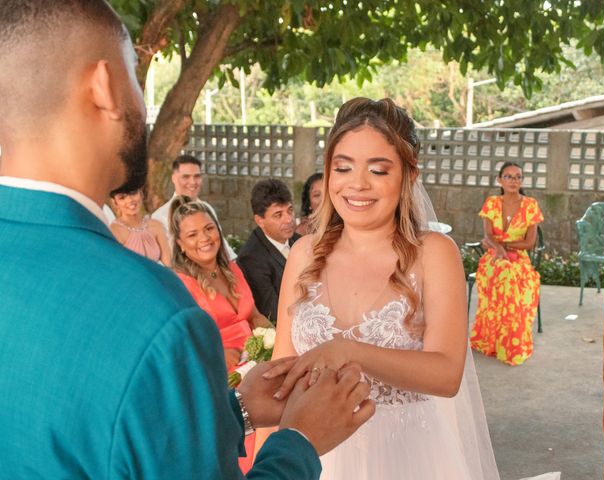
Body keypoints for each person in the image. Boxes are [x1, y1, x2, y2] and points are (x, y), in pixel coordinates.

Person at [0, 2, 374, 478]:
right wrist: (300, 440)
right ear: (105, 86)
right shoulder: (154, 312)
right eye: (135, 74)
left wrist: (231, 410)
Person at [256, 98, 560, 480]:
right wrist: (263, 460)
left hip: (409, 457)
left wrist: (349, 351)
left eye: (378, 170)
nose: (357, 184)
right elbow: (278, 379)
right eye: (343, 167)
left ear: (408, 176)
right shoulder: (303, 254)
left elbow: (447, 373)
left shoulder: (434, 253)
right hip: (315, 458)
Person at [169, 195, 273, 473]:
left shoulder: (232, 269)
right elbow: (181, 343)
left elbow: (252, 315)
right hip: (219, 377)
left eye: (209, 228)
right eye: (192, 234)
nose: (204, 238)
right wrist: (219, 355)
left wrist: (273, 337)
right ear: (180, 243)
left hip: (255, 367)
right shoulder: (180, 283)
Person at [470, 162, 544, 366]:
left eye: (518, 177)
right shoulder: (492, 203)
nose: (514, 181)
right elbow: (487, 235)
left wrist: (503, 245)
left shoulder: (530, 205)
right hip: (493, 259)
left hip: (520, 259)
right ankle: (498, 341)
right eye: (509, 176)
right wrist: (499, 249)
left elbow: (529, 243)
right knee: (503, 270)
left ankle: (511, 344)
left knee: (510, 274)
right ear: (499, 180)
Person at [237, 179, 301, 324]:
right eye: (278, 215)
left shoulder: (300, 241)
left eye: (290, 210)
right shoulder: (251, 259)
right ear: (260, 221)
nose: (289, 219)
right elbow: (272, 312)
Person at [152, 154, 237, 261]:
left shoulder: (206, 208)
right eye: (186, 177)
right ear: (173, 178)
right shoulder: (160, 216)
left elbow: (223, 247)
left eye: (197, 176)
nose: (192, 182)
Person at [109, 186, 171, 265]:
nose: (130, 200)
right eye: (122, 198)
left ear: (141, 194)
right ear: (115, 203)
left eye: (133, 193)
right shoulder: (114, 231)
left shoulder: (156, 225)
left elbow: (168, 266)